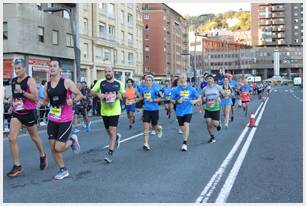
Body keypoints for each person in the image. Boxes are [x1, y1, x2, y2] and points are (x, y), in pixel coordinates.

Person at [38, 58, 84, 180]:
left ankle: (73, 141)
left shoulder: (66, 82)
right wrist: (40, 103)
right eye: (50, 66)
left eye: (54, 66)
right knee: (53, 147)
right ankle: (63, 170)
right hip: (53, 118)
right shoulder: (47, 84)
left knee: (58, 148)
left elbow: (80, 95)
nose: (52, 68)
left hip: (65, 119)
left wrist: (73, 101)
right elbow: (47, 100)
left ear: (59, 69)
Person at [6, 58, 48, 177]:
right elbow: (15, 96)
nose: (17, 70)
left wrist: (23, 92)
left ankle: (42, 155)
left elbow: (35, 97)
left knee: (34, 137)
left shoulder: (30, 80)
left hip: (28, 113)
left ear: (24, 68)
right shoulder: (14, 81)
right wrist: (11, 105)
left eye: (19, 68)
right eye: (15, 68)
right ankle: (17, 166)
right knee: (11, 138)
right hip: (17, 113)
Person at [91, 67, 125, 163]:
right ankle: (116, 137)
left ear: (113, 72)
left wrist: (120, 96)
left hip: (115, 111)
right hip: (104, 111)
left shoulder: (119, 83)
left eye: (109, 71)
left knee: (112, 130)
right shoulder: (100, 82)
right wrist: (98, 94)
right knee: (109, 132)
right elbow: (91, 92)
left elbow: (123, 95)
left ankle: (110, 153)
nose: (107, 73)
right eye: (106, 72)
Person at [171, 73, 201, 151]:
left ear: (186, 78)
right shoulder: (176, 89)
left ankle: (185, 143)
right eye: (181, 78)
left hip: (188, 110)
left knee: (186, 125)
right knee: (182, 127)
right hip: (179, 111)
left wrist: (195, 100)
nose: (182, 79)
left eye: (183, 77)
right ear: (179, 80)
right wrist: (177, 101)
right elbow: (171, 100)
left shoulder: (191, 89)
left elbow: (199, 97)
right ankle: (185, 137)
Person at [138, 74, 163, 151]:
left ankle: (159, 129)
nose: (148, 82)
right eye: (147, 80)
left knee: (154, 126)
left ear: (152, 82)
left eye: (149, 80)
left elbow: (161, 98)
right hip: (146, 110)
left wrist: (153, 100)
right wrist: (137, 99)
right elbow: (142, 97)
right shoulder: (143, 89)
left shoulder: (155, 89)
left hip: (154, 110)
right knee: (146, 127)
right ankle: (146, 144)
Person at [202, 74, 224, 143]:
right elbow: (202, 97)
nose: (209, 80)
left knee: (215, 123)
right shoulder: (205, 89)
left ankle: (218, 124)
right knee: (208, 122)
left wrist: (219, 98)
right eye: (208, 79)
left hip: (216, 108)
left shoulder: (218, 87)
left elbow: (223, 94)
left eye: (210, 78)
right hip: (208, 108)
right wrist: (204, 99)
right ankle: (212, 137)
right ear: (206, 80)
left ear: (213, 80)